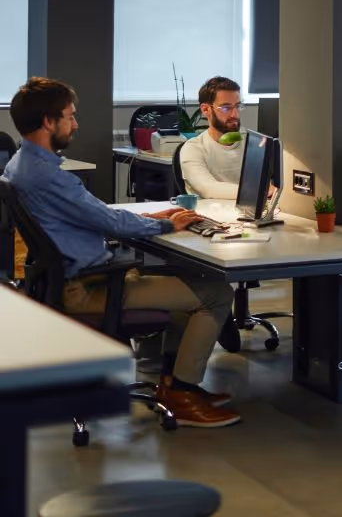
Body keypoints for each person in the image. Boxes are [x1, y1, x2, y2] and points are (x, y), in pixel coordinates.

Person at [2, 77, 240, 427]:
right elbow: (112, 225)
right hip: (91, 288)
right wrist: (165, 225)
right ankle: (183, 394)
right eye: (70, 116)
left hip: (75, 279)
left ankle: (173, 384)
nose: (76, 123)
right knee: (216, 293)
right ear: (48, 122)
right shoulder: (49, 177)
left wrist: (156, 215)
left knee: (190, 278)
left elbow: (95, 214)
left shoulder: (21, 165)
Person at [178, 76, 244, 200]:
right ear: (205, 109)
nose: (234, 114)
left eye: (237, 106)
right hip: (210, 216)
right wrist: (260, 192)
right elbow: (209, 189)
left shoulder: (251, 143)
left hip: (250, 215)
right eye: (226, 108)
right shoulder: (193, 148)